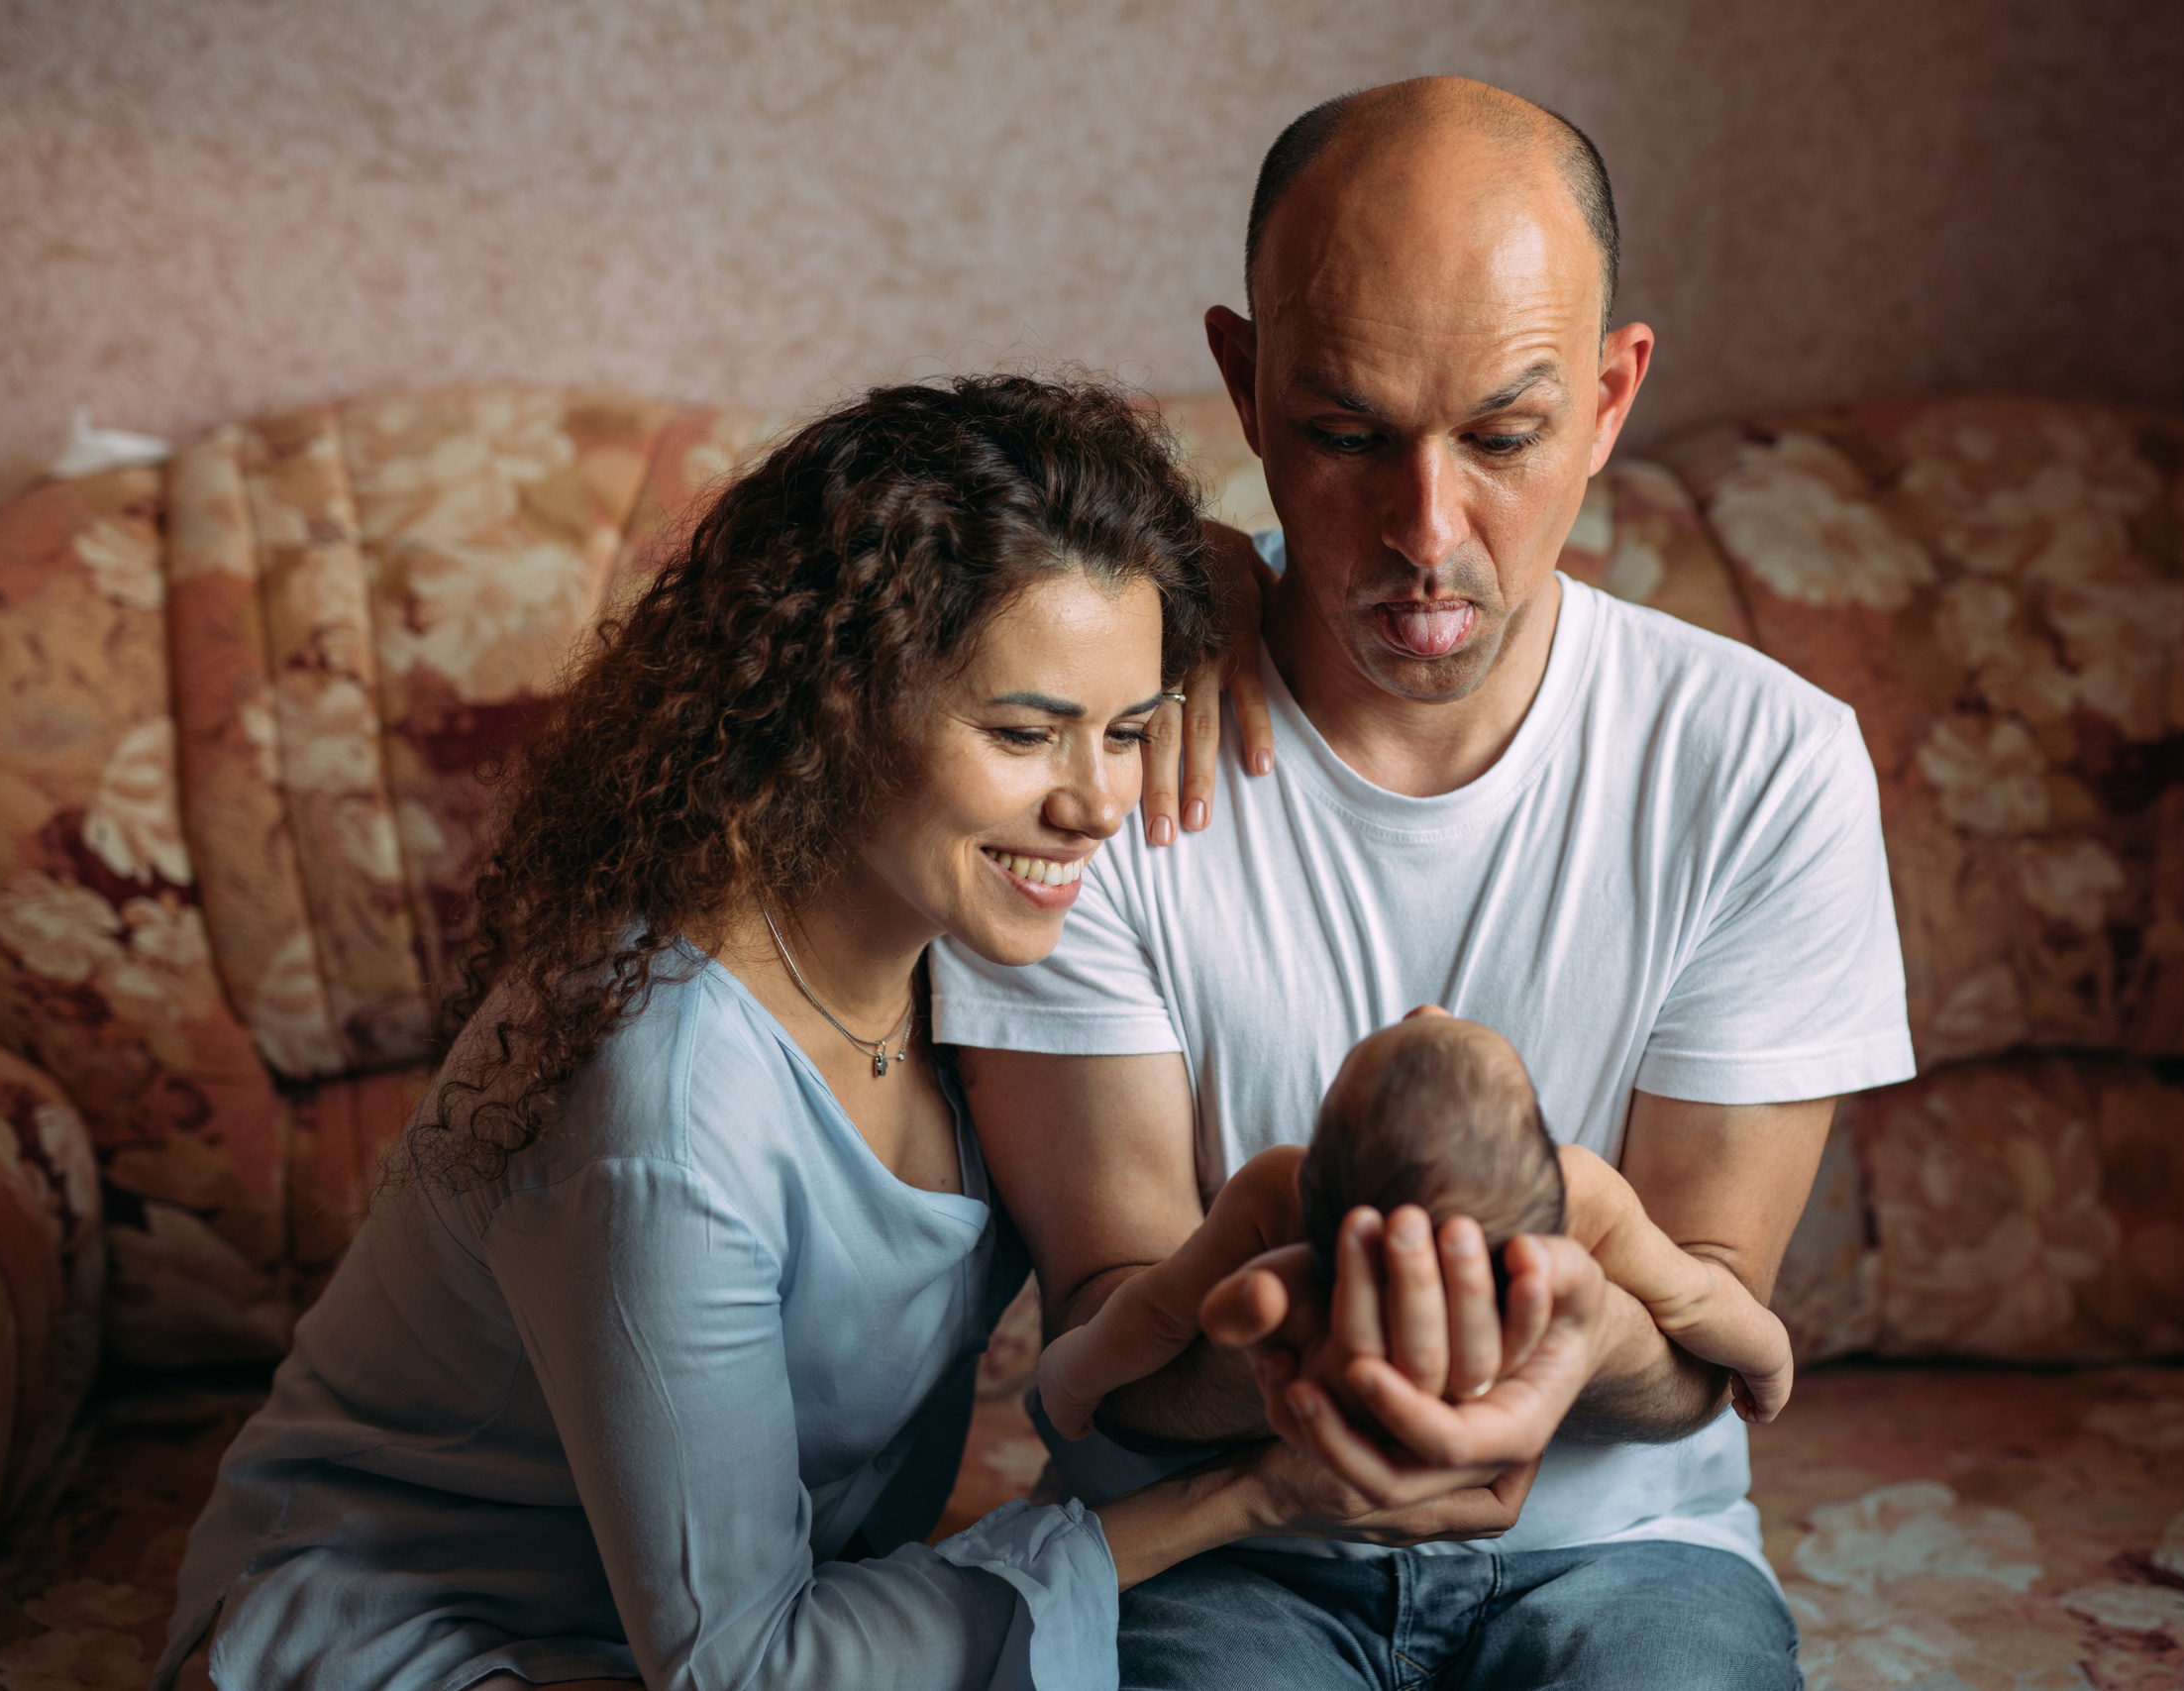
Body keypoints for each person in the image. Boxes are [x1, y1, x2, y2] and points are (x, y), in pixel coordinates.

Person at [155, 375, 1487, 1691]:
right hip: (431, 1637)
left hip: (747, 1626)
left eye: (1130, 732)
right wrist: (1246, 1497)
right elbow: (744, 1664)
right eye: (1027, 732)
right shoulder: (662, 1099)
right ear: (837, 700)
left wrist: (1254, 1260)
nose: (1095, 803)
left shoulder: (965, 959)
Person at [937, 77, 1916, 1689]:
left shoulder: (1763, 768)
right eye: (1346, 434)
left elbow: (1709, 1332)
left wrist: (1581, 1340)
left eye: (1506, 434)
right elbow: (1110, 1327)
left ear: (1611, 399)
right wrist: (1290, 1365)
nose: (1425, 530)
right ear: (1244, 387)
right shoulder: (1093, 764)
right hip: (1206, 1545)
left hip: (1627, 1556)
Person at [1035, 1006, 1795, 1444]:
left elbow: (1159, 1310)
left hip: (1328, 1370)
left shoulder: (1277, 1188)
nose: (1428, 1009)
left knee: (1216, 1298)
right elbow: (1696, 1299)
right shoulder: (1582, 1193)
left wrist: (1072, 1379)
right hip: (1329, 1502)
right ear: (1540, 1145)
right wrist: (1766, 1364)